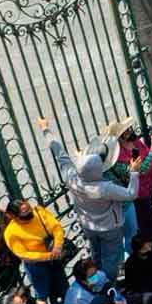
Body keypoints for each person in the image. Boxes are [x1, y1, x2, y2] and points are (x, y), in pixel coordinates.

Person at [38, 117, 138, 279]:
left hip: (89, 226)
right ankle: (112, 283)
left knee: (96, 254)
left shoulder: (72, 178)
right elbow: (131, 194)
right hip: (110, 228)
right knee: (114, 258)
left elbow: (60, 154)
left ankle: (95, 279)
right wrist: (134, 172)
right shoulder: (104, 188)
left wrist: (46, 130)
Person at [3, 199, 67, 304]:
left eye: (28, 208)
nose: (28, 212)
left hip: (54, 254)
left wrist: (58, 245)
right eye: (23, 212)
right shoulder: (11, 232)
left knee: (62, 286)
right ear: (13, 216)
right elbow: (23, 254)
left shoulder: (38, 211)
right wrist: (49, 256)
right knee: (42, 294)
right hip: (36, 266)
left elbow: (56, 227)